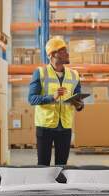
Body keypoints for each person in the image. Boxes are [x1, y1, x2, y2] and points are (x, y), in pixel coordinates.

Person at [28, 37, 84, 166]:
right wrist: (51, 97)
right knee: (43, 165)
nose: (67, 53)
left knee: (62, 166)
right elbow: (31, 99)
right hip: (45, 126)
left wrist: (79, 105)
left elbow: (79, 100)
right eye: (63, 50)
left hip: (65, 126)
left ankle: (60, 186)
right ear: (53, 54)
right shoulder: (40, 73)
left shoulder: (74, 74)